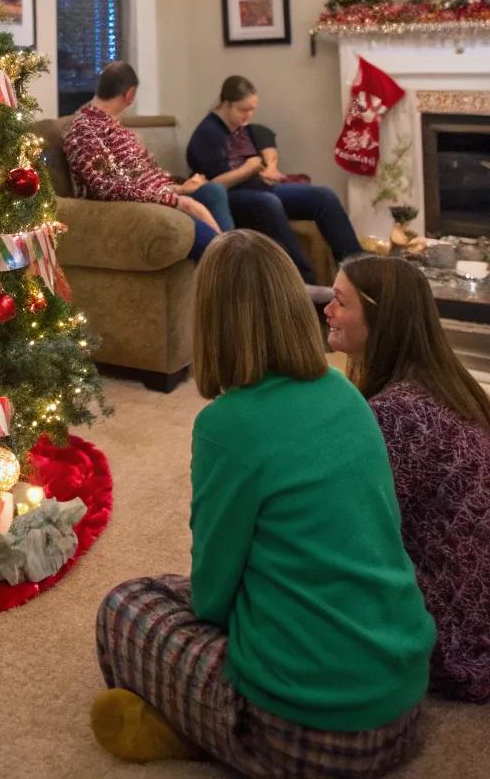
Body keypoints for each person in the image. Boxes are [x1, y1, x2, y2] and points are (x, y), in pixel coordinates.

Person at [92, 231, 434, 775]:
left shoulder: (226, 426)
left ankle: (200, 734)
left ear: (211, 322)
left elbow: (212, 596)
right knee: (183, 588)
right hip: (404, 699)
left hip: (312, 733)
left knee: (125, 604)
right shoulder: (345, 390)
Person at [326, 254, 490, 704]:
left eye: (340, 301)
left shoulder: (398, 415)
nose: (327, 308)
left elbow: (351, 535)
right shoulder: (442, 385)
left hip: (453, 644)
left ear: (379, 317)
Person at [186, 75, 361, 283]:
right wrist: (249, 168)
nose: (248, 115)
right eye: (243, 110)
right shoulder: (208, 134)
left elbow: (263, 134)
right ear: (226, 104)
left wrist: (268, 167)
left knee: (324, 196)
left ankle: (358, 269)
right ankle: (302, 280)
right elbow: (214, 186)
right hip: (233, 198)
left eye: (252, 109)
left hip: (259, 187)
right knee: (269, 203)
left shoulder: (238, 126)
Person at [64, 61, 231, 262]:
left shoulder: (111, 123)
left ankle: (234, 255)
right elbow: (110, 190)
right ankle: (230, 265)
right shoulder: (85, 130)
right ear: (130, 94)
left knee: (213, 190)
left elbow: (146, 174)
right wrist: (176, 199)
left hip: (160, 193)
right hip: (137, 208)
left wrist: (179, 185)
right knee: (204, 230)